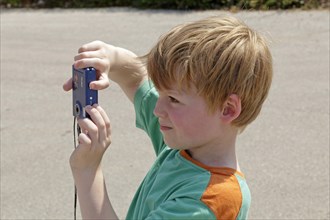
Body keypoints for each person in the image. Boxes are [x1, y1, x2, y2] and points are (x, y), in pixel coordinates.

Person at [63, 15, 273, 219]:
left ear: (227, 109)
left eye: (173, 99)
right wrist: (110, 57)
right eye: (160, 92)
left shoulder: (210, 200)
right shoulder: (183, 145)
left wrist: (87, 171)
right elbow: (136, 78)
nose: (158, 109)